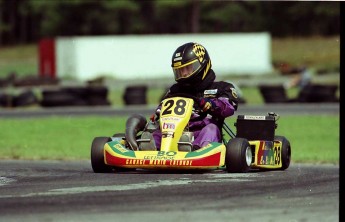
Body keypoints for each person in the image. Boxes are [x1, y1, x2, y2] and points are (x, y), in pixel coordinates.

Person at [142, 42, 239, 151]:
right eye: (180, 70)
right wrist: (160, 111)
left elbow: (229, 107)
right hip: (174, 133)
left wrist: (212, 104)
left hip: (202, 133)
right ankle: (150, 148)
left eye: (187, 68)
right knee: (158, 133)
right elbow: (162, 109)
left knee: (211, 129)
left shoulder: (221, 87)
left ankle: (195, 150)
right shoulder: (174, 90)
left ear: (201, 64)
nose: (183, 74)